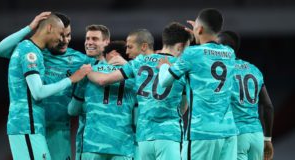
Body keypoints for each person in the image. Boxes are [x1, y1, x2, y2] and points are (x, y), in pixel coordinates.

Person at [0, 12, 100, 160]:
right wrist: (29, 27)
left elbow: (102, 68)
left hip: (57, 127)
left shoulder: (78, 59)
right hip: (29, 124)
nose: (64, 39)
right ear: (50, 28)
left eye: (68, 35)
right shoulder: (34, 51)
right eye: (61, 34)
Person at [85, 22, 191, 160]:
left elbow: (103, 80)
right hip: (169, 135)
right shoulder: (181, 66)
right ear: (181, 45)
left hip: (144, 137)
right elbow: (184, 106)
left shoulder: (139, 62)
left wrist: (87, 72)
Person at [158, 8, 238, 160]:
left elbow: (164, 81)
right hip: (228, 132)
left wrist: (163, 66)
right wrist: (200, 32)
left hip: (202, 132)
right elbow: (212, 49)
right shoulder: (229, 53)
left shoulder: (191, 53)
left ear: (199, 29)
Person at [68, 40, 137, 160]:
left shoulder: (88, 72)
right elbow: (137, 119)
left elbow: (72, 110)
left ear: (113, 53)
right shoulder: (135, 76)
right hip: (123, 147)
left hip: (92, 145)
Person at [218, 30, 274, 160]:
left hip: (237, 135)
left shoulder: (222, 70)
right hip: (257, 135)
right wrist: (267, 139)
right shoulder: (254, 69)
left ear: (223, 47)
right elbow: (268, 106)